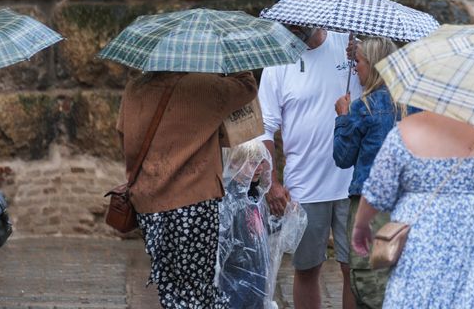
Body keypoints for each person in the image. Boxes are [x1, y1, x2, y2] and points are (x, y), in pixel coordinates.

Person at [351, 111, 474, 308]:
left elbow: (377, 191)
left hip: (423, 230)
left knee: (419, 296)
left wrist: (360, 226)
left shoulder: (405, 131)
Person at [117, 70, 258, 309]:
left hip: (149, 204)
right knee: (198, 290)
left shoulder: (134, 88)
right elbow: (247, 88)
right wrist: (233, 61)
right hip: (193, 201)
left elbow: (123, 136)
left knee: (170, 288)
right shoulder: (204, 86)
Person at [259, 26, 361, 309]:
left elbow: (379, 91)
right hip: (304, 186)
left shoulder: (350, 47)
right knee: (306, 269)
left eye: (297, 23)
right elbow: (266, 128)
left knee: (353, 270)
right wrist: (272, 183)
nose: (292, 28)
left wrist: (367, 60)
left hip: (352, 182)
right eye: (288, 23)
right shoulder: (277, 60)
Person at [333, 36, 401, 309]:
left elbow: (342, 157)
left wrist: (343, 117)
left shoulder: (364, 108)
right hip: (404, 204)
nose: (354, 68)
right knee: (397, 270)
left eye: (358, 62)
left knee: (368, 276)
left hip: (369, 206)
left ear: (372, 65)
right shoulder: (410, 105)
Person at [218, 140, 272, 309]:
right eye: (253, 162)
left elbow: (261, 231)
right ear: (233, 163)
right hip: (235, 277)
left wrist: (284, 221)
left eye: (261, 162)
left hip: (257, 273)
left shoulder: (254, 196)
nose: (260, 168)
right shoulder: (229, 200)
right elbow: (223, 240)